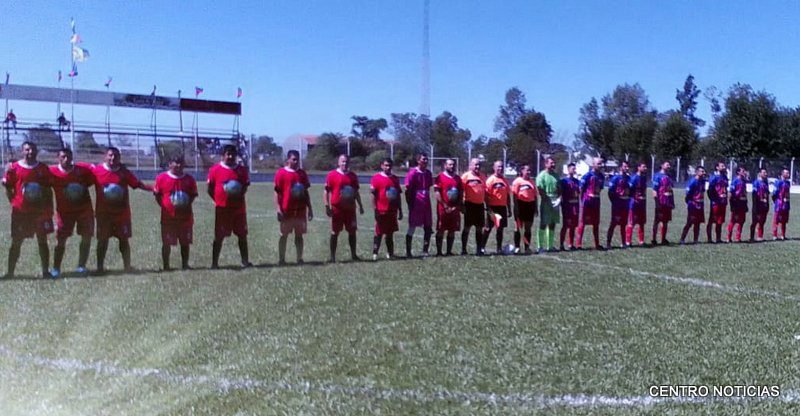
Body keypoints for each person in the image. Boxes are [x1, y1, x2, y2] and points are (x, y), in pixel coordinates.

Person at [93, 146, 152, 273]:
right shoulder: (97, 171)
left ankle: (127, 267)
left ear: (119, 158)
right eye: (110, 155)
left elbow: (136, 184)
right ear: (105, 156)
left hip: (121, 214)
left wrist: (152, 189)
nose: (113, 158)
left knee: (123, 240)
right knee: (102, 241)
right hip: (104, 214)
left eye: (116, 155)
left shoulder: (124, 172)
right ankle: (99, 268)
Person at [2, 141, 53, 278]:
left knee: (42, 240)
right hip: (21, 212)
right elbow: (7, 186)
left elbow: (48, 190)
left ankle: (45, 271)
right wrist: (13, 201)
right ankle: (10, 273)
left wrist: (49, 208)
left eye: (33, 149)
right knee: (16, 241)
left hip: (39, 212)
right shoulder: (14, 168)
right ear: (22, 151)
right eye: (27, 149)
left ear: (36, 151)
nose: (30, 152)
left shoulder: (43, 168)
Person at [49, 148, 94, 278]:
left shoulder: (82, 170)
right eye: (63, 157)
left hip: (84, 210)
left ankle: (81, 266)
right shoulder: (52, 172)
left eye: (69, 157)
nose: (66, 159)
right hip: (65, 213)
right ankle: (56, 268)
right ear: (58, 158)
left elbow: (95, 174)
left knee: (86, 237)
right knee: (61, 240)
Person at [208, 144, 251, 269]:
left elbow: (245, 187)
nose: (231, 156)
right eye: (228, 154)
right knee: (219, 236)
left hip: (239, 209)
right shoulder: (215, 169)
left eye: (233, 154)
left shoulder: (241, 170)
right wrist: (218, 200)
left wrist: (237, 195)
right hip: (222, 210)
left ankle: (245, 261)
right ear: (223, 155)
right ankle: (214, 263)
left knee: (242, 235)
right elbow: (210, 189)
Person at [154, 155, 198, 270]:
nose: (178, 165)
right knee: (166, 243)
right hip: (168, 218)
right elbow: (157, 196)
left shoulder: (189, 179)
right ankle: (166, 266)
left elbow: (193, 195)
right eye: (175, 162)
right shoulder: (161, 178)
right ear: (169, 164)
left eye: (180, 163)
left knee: (185, 243)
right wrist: (165, 206)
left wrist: (184, 205)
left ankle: (185, 265)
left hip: (185, 218)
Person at [273, 150, 312, 265]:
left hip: (300, 210)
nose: (296, 161)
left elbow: (305, 192)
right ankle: (281, 259)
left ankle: (299, 259)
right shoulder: (281, 173)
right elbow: (276, 192)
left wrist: (310, 208)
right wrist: (278, 209)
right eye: (294, 159)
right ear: (288, 159)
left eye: (297, 159)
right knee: (283, 235)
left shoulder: (302, 174)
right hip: (287, 211)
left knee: (299, 235)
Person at [324, 154, 364, 262]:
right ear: (338, 162)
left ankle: (354, 255)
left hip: (350, 209)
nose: (344, 163)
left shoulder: (353, 176)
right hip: (337, 208)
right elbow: (326, 191)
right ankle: (332, 257)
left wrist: (360, 205)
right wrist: (327, 206)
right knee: (335, 231)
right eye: (342, 161)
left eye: (346, 161)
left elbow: (356, 192)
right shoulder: (332, 175)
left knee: (352, 231)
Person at [370, 158, 403, 260]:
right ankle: (375, 253)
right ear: (382, 166)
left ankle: (390, 253)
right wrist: (375, 209)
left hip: (392, 210)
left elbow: (398, 195)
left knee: (390, 233)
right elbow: (373, 195)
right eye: (386, 165)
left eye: (389, 165)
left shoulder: (395, 179)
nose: (388, 167)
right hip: (381, 210)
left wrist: (400, 209)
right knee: (379, 232)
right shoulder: (376, 178)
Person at [404, 153, 434, 257]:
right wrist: (410, 203)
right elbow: (407, 190)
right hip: (416, 203)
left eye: (426, 159)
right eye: (423, 159)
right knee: (412, 226)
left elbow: (428, 187)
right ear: (418, 161)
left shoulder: (428, 173)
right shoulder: (413, 173)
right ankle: (408, 252)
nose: (425, 161)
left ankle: (425, 251)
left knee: (428, 227)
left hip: (426, 204)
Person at [434, 158, 462, 256]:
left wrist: (457, 205)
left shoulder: (457, 178)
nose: (452, 166)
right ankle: (439, 252)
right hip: (443, 208)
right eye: (450, 164)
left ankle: (449, 251)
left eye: (453, 164)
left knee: (452, 230)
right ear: (445, 166)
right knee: (441, 229)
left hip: (454, 209)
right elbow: (437, 193)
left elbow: (460, 192)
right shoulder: (440, 177)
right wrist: (445, 206)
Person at [576, 157, 605, 250]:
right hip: (587, 201)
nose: (601, 165)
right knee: (583, 222)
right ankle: (578, 244)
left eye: (601, 163)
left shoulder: (601, 176)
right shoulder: (587, 175)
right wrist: (582, 201)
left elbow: (600, 188)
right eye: (599, 164)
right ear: (593, 164)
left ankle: (597, 244)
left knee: (596, 223)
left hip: (596, 201)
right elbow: (581, 189)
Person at [483, 160, 511, 254]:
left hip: (502, 208)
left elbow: (507, 195)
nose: (500, 168)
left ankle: (499, 248)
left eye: (501, 166)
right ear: (494, 168)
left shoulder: (504, 180)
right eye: (498, 166)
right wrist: (488, 208)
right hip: (493, 208)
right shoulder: (490, 180)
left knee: (500, 229)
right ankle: (482, 247)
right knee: (488, 228)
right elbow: (486, 195)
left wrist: (509, 209)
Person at [460, 158, 486, 255]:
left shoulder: (483, 176)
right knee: (467, 227)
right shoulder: (465, 176)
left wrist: (487, 205)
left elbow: (485, 192)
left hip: (480, 205)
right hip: (469, 205)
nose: (477, 167)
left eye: (479, 165)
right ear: (470, 166)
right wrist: (462, 205)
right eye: (475, 165)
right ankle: (463, 249)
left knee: (479, 228)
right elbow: (461, 191)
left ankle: (479, 249)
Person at [536, 157, 561, 253]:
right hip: (546, 201)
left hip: (555, 200)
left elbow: (559, 188)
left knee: (552, 223)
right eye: (551, 163)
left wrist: (559, 199)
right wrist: (547, 200)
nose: (553, 164)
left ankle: (550, 245)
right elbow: (540, 189)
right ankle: (540, 246)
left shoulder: (556, 175)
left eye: (554, 163)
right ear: (546, 164)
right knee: (543, 223)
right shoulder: (542, 175)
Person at [511, 164, 537, 254]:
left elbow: (535, 196)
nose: (529, 172)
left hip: (530, 205)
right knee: (518, 227)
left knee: (528, 228)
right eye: (527, 170)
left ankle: (527, 247)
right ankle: (517, 247)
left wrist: (536, 208)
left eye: (529, 170)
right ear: (522, 171)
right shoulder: (517, 181)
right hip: (520, 205)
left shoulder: (532, 182)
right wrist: (516, 207)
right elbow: (514, 195)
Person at [606, 161, 631, 249]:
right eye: (625, 166)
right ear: (621, 167)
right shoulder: (615, 178)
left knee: (623, 224)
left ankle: (623, 243)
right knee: (614, 224)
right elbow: (610, 192)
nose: (627, 168)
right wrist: (614, 202)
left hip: (625, 204)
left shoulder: (628, 178)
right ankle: (608, 243)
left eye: (627, 167)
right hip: (617, 205)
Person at [680, 166, 707, 244]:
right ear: (697, 172)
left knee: (697, 223)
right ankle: (682, 239)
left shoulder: (703, 181)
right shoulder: (692, 181)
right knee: (690, 222)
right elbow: (688, 193)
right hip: (693, 204)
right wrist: (688, 203)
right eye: (702, 171)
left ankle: (695, 240)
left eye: (704, 171)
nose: (704, 173)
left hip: (700, 204)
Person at [651, 161, 674, 245]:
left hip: (668, 203)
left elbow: (670, 189)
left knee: (665, 221)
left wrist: (672, 202)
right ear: (662, 165)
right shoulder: (657, 176)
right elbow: (654, 190)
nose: (669, 166)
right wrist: (657, 203)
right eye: (667, 165)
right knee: (657, 221)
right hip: (661, 202)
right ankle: (653, 239)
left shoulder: (669, 176)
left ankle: (663, 239)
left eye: (669, 165)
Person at [559, 162, 581, 251]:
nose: (574, 170)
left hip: (575, 206)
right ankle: (561, 245)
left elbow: (579, 192)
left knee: (573, 226)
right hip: (567, 206)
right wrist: (562, 204)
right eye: (573, 169)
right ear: (568, 170)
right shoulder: (563, 181)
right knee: (565, 225)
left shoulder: (577, 181)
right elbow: (560, 193)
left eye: (575, 169)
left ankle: (570, 244)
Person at [626, 162, 648, 247]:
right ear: (638, 168)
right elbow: (629, 190)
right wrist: (633, 199)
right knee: (631, 222)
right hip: (634, 204)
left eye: (646, 167)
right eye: (643, 167)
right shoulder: (634, 178)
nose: (645, 168)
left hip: (642, 204)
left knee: (641, 223)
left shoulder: (644, 178)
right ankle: (628, 242)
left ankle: (641, 241)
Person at [706, 162, 729, 243]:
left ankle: (718, 238)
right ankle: (709, 239)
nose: (724, 167)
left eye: (724, 166)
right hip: (715, 203)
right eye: (722, 166)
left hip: (723, 202)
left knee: (720, 221)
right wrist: (713, 199)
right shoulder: (714, 178)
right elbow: (710, 190)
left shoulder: (725, 177)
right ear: (717, 167)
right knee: (712, 221)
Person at [726, 166, 748, 243]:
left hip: (743, 203)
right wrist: (732, 204)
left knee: (741, 221)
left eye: (744, 171)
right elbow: (730, 193)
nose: (744, 172)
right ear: (738, 172)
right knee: (733, 221)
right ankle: (728, 238)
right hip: (736, 203)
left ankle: (738, 237)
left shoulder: (744, 181)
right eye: (743, 171)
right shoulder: (735, 181)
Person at [749, 167, 770, 242]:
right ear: (759, 174)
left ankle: (760, 236)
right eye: (764, 172)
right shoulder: (756, 183)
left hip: (764, 205)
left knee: (762, 221)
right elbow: (754, 195)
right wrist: (755, 206)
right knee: (755, 222)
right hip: (758, 205)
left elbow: (767, 194)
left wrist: (767, 204)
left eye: (766, 172)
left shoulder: (766, 183)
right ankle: (751, 237)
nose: (765, 174)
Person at [772, 167, 791, 240]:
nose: (788, 174)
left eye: (788, 173)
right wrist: (777, 201)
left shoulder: (788, 183)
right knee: (776, 220)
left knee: (784, 221)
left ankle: (783, 235)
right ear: (782, 174)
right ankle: (775, 235)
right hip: (779, 204)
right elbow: (774, 194)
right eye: (787, 173)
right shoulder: (778, 182)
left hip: (786, 204)